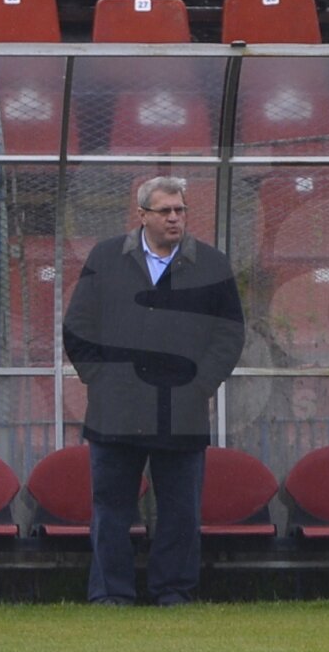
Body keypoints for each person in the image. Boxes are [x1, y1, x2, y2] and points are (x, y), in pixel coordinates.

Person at [64, 176, 246, 606]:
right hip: (116, 409)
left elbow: (230, 334)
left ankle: (174, 591)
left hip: (181, 409)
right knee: (111, 509)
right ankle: (111, 593)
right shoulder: (106, 258)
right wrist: (100, 378)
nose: (174, 218)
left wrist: (201, 384)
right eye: (164, 210)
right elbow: (77, 328)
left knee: (181, 510)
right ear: (142, 214)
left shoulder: (212, 265)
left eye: (180, 210)